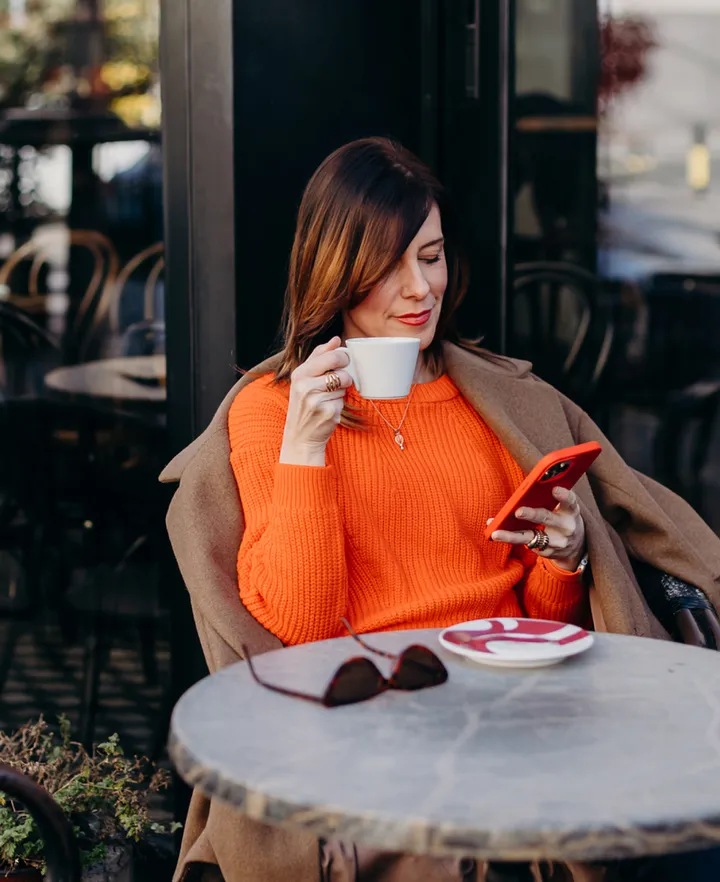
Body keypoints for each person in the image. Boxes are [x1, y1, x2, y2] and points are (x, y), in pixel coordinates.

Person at [164, 137, 720, 882]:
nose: (420, 288)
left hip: (518, 709)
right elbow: (300, 631)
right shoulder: (273, 413)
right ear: (336, 272)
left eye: (430, 256)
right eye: (388, 268)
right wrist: (305, 452)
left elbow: (536, 627)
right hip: (376, 718)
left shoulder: (499, 401)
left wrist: (564, 561)